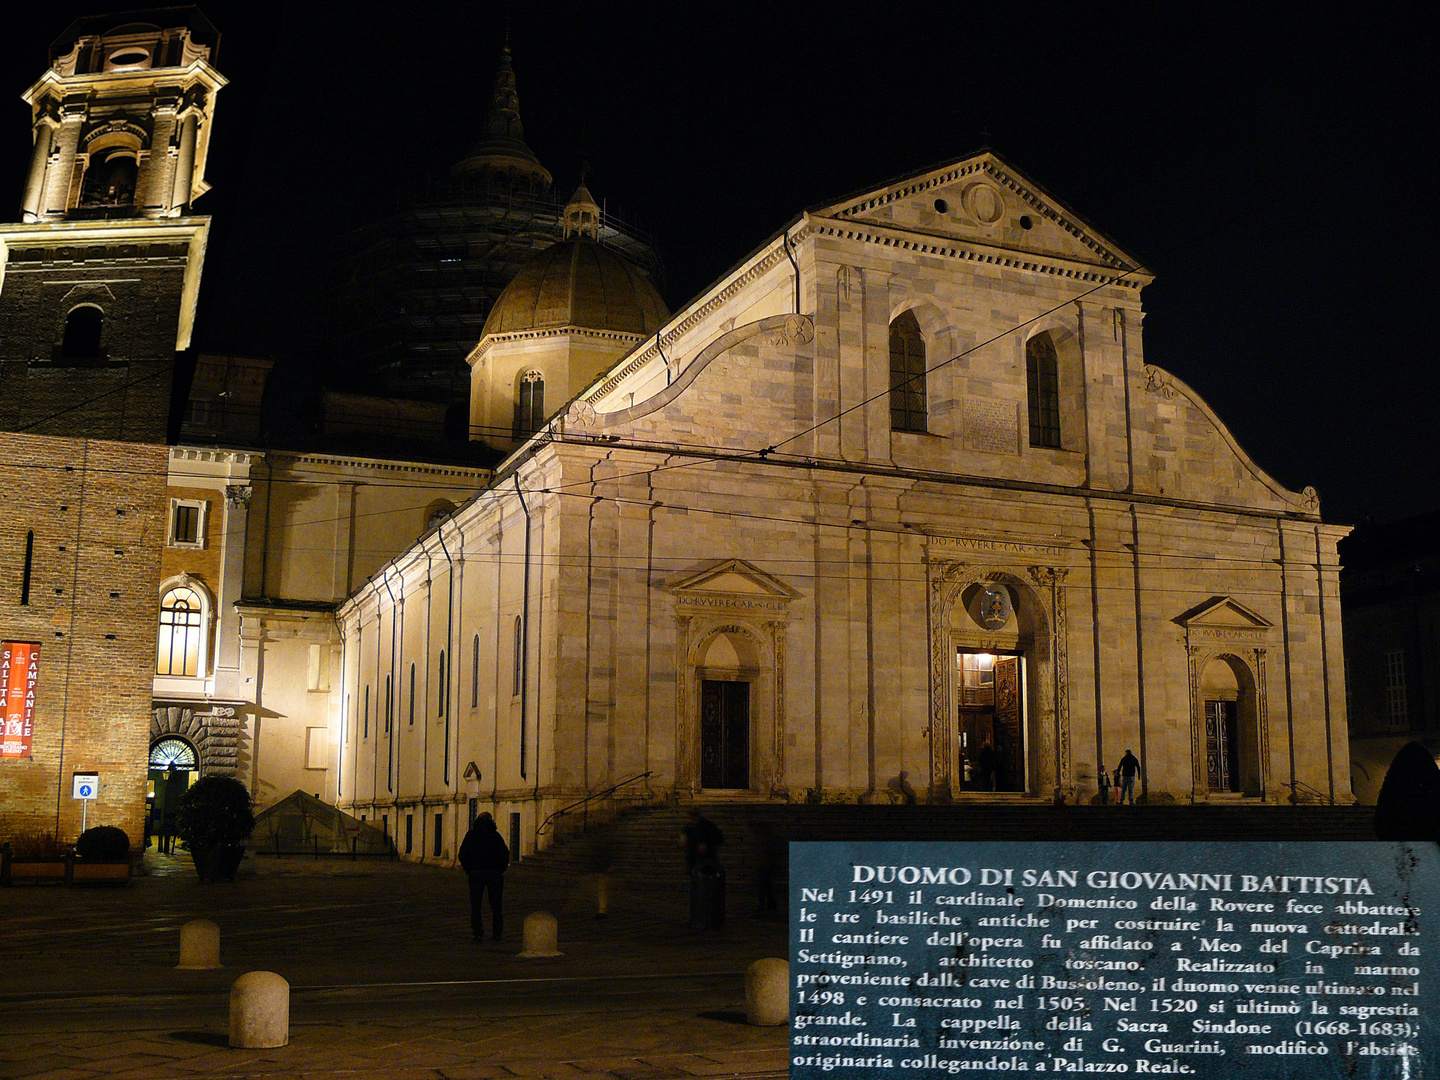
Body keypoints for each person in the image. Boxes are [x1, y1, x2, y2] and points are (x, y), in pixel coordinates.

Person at [458, 812, 510, 940]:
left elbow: (463, 854)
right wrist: (500, 870)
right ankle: (497, 933)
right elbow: (505, 854)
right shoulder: (496, 836)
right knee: (496, 905)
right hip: (494, 874)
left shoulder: (471, 835)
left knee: (476, 905)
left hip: (476, 873)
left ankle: (478, 932)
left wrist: (468, 869)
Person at [682, 808, 724, 873]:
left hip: (707, 857)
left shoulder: (708, 826)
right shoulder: (689, 827)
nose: (693, 818)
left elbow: (718, 838)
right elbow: (683, 838)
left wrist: (706, 845)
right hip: (694, 858)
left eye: (694, 816)